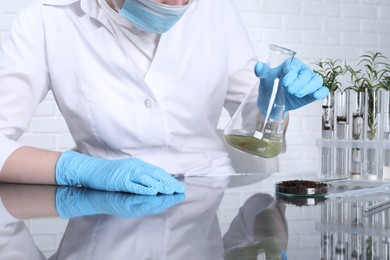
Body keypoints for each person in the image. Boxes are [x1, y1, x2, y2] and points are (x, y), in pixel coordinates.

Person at [0, 0, 328, 195]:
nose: (176, 6)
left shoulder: (217, 10)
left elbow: (256, 124)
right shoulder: (46, 19)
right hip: (108, 200)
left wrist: (274, 106)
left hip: (206, 197)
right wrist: (78, 169)